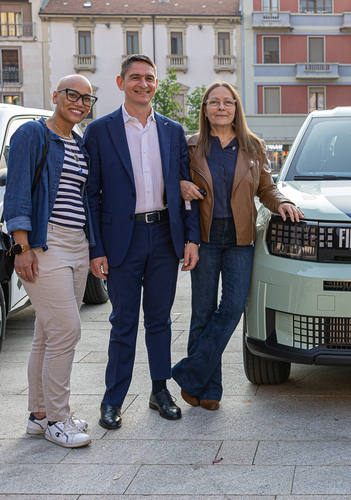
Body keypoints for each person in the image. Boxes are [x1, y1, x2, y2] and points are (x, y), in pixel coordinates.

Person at [84, 54, 200, 429]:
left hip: (165, 235)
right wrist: (96, 248)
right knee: (123, 322)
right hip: (122, 238)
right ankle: (113, 399)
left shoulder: (172, 130)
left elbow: (185, 190)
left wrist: (191, 237)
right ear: (121, 83)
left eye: (149, 78)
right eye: (135, 77)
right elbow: (90, 195)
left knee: (160, 320)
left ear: (156, 83)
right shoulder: (99, 131)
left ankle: (159, 391)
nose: (143, 84)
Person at [172, 83, 301, 410]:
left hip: (241, 239)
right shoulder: (190, 146)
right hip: (204, 238)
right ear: (205, 109)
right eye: (214, 102)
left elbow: (266, 188)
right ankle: (210, 389)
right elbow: (173, 181)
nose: (221, 107)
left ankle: (190, 373)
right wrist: (180, 184)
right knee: (202, 311)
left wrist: (282, 202)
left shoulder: (254, 146)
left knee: (232, 307)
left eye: (228, 102)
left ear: (236, 108)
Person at [4, 75, 97, 447]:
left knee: (47, 333)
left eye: (87, 99)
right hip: (46, 242)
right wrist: (21, 247)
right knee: (67, 330)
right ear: (56, 96)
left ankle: (39, 416)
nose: (79, 103)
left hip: (78, 243)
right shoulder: (32, 134)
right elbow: (16, 192)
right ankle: (59, 419)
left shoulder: (79, 143)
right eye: (72, 95)